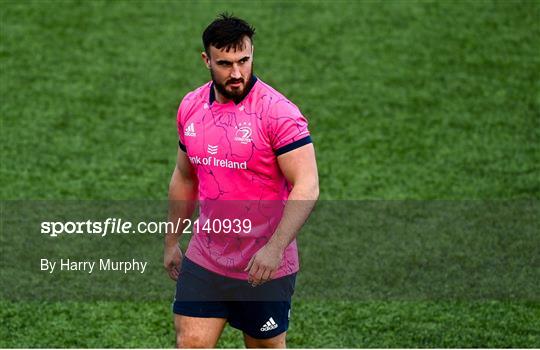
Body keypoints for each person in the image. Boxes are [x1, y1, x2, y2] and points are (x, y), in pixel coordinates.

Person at [164, 13, 319, 348]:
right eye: (224, 63)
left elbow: (307, 185)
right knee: (190, 343)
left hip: (263, 267)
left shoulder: (278, 113)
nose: (236, 73)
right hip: (206, 258)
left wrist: (274, 248)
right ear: (206, 60)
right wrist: (172, 240)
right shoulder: (191, 107)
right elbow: (184, 175)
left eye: (243, 60)